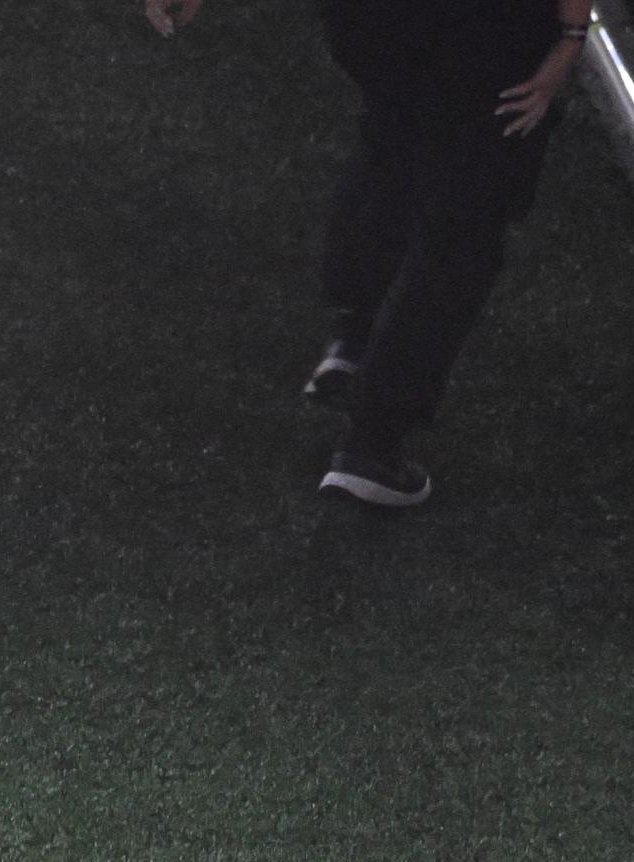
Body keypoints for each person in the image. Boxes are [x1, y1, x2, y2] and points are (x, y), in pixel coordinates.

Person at [147, 0, 587, 507]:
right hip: (486, 29)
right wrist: (572, 36)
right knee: (464, 223)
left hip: (372, 19)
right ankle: (373, 445)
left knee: (391, 139)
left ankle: (353, 340)